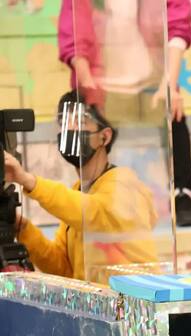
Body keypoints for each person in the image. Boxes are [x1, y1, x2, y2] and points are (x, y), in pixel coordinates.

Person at [57, 0, 191, 226]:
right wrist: (87, 83)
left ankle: (182, 195)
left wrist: (170, 84)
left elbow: (177, 25)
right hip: (102, 81)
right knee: (90, 135)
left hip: (151, 76)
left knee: (175, 118)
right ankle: (96, 196)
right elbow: (75, 32)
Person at [4, 91, 158, 284]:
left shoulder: (124, 184)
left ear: (104, 137)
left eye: (79, 122)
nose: (69, 129)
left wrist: (29, 180)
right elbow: (63, 267)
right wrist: (21, 227)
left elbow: (94, 212)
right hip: (100, 299)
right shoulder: (78, 192)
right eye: (64, 123)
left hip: (137, 299)